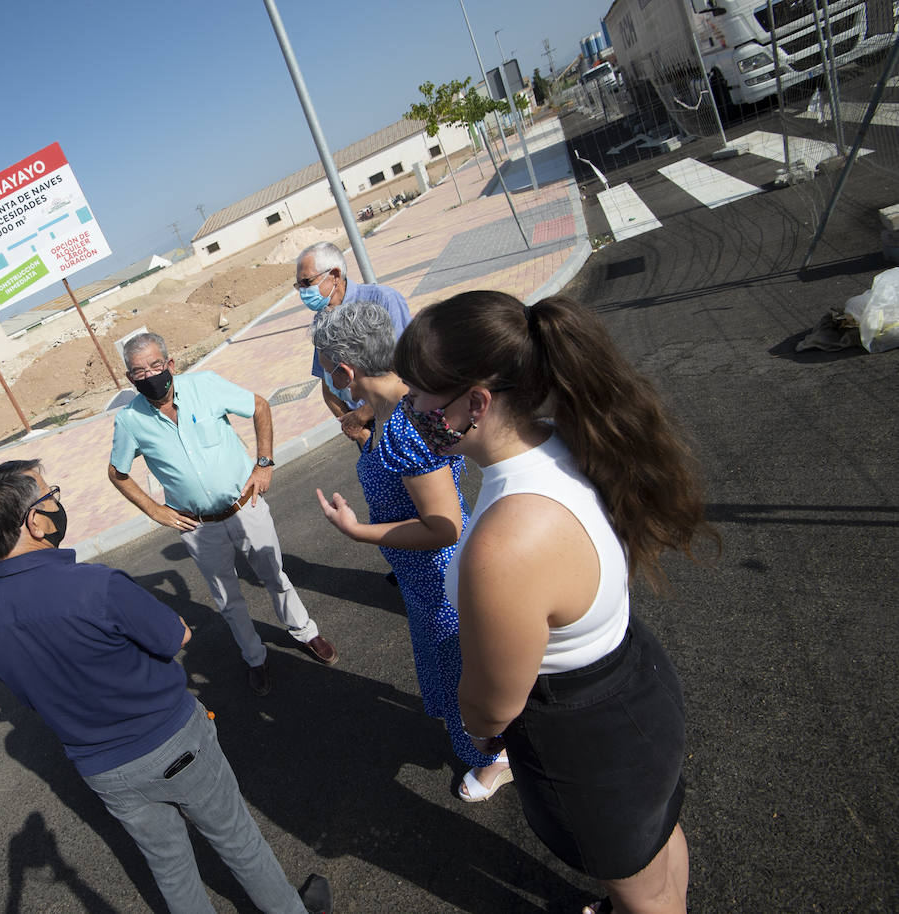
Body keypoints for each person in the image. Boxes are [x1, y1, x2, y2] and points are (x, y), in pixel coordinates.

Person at [394, 291, 717, 914]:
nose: (409, 408)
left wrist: (473, 711)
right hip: (635, 682)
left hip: (586, 743)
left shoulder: (505, 542)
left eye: (420, 395)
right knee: (655, 838)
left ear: (476, 401)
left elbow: (491, 710)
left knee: (643, 887)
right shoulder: (567, 436)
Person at [0, 460, 333, 914]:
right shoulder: (96, 586)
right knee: (236, 839)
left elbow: (29, 691)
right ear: (35, 522)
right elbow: (176, 635)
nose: (57, 503)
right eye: (49, 495)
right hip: (172, 739)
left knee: (170, 869)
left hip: (102, 768)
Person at [311, 301, 510, 801]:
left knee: (467, 677)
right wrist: (361, 419)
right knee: (453, 672)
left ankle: (496, 759)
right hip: (424, 582)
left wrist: (359, 532)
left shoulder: (403, 426)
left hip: (444, 582)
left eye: (326, 366)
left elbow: (444, 526)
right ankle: (487, 743)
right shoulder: (390, 409)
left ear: (345, 369)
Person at [108, 332, 338, 697]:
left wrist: (264, 463)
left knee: (274, 575)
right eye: (139, 371)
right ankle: (254, 657)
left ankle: (305, 631)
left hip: (245, 505)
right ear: (129, 378)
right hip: (198, 526)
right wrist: (155, 510)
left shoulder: (206, 386)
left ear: (170, 365)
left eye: (155, 366)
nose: (149, 375)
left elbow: (260, 406)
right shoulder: (130, 421)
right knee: (227, 599)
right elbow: (117, 473)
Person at [295, 242, 411, 446]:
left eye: (307, 282)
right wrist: (362, 435)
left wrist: (363, 414)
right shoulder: (322, 319)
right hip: (369, 434)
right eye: (299, 286)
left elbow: (409, 371)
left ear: (335, 275)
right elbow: (328, 385)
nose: (302, 292)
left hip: (403, 421)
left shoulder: (383, 300)